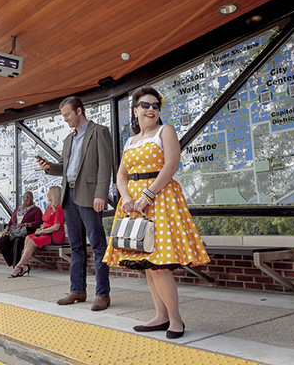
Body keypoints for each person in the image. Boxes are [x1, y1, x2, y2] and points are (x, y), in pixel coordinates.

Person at [103, 86, 210, 339]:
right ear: (135, 110)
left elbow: (171, 164)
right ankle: (160, 316)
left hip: (160, 200)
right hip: (134, 205)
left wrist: (147, 195)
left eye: (155, 105)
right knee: (147, 263)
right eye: (145, 105)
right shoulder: (130, 141)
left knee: (160, 265)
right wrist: (127, 197)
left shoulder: (166, 131)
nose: (151, 109)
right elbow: (121, 174)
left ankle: (175, 319)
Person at [37, 96, 113, 311]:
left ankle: (102, 294)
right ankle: (77, 290)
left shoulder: (99, 132)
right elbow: (65, 167)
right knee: (76, 246)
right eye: (63, 116)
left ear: (79, 111)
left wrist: (101, 194)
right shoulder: (68, 140)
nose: (65, 120)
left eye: (67, 115)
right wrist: (48, 167)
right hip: (68, 196)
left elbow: (105, 166)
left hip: (89, 196)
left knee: (98, 246)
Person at [8, 186, 65, 278]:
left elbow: (56, 227)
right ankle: (25, 265)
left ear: (54, 194)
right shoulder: (49, 207)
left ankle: (18, 267)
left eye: (50, 192)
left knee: (31, 242)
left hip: (54, 235)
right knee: (28, 237)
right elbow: (46, 223)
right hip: (45, 233)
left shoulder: (59, 208)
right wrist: (41, 229)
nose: (47, 194)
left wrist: (43, 231)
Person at [0, 191, 43, 268]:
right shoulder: (18, 209)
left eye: (31, 197)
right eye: (27, 197)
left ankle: (16, 267)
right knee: (1, 241)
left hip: (27, 233)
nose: (29, 199)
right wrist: (7, 229)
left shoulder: (36, 210)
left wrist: (25, 224)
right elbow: (11, 220)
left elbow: (38, 222)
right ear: (23, 199)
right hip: (14, 232)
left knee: (18, 241)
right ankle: (12, 261)